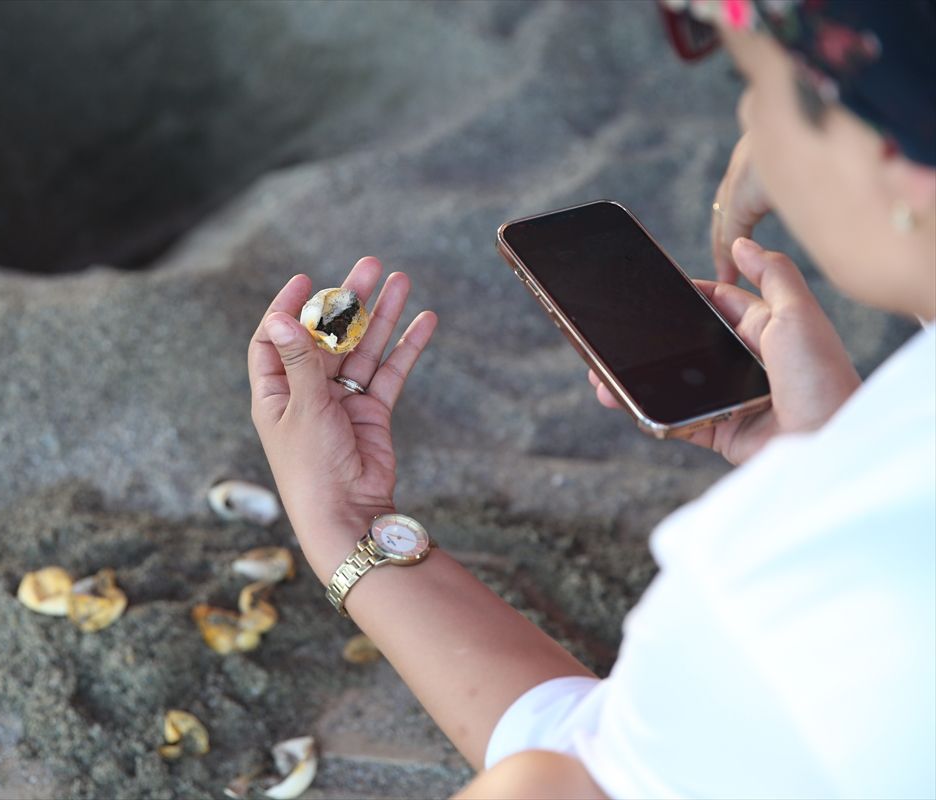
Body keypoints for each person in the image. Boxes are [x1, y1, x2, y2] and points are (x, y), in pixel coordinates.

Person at [246, 1, 935, 797]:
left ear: (894, 149)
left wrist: (339, 521)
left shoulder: (786, 589)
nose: (748, 121)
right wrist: (829, 452)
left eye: (748, 79)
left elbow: (569, 774)